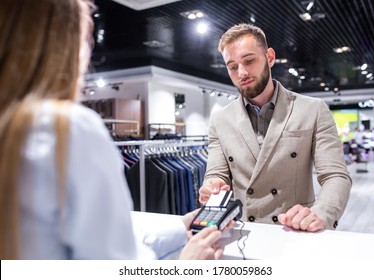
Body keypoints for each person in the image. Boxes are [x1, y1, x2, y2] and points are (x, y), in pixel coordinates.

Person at [0, 0, 223, 260]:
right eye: (86, 40)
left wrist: (180, 225)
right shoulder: (67, 131)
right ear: (67, 48)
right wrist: (187, 266)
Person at [199, 23, 352, 232]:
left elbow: (336, 176)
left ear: (270, 57)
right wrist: (212, 187)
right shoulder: (220, 120)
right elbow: (216, 174)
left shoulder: (313, 109)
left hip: (296, 231)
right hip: (244, 232)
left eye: (249, 61)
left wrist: (321, 213)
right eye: (232, 66)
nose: (242, 73)